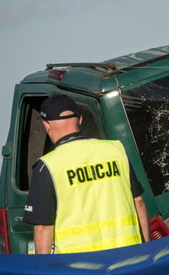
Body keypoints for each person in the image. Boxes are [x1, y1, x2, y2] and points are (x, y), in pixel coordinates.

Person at [23, 94, 149, 254]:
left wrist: (44, 273)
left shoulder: (47, 167)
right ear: (80, 120)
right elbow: (139, 203)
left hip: (81, 270)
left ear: (47, 126)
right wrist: (147, 251)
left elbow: (42, 228)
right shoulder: (115, 150)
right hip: (129, 258)